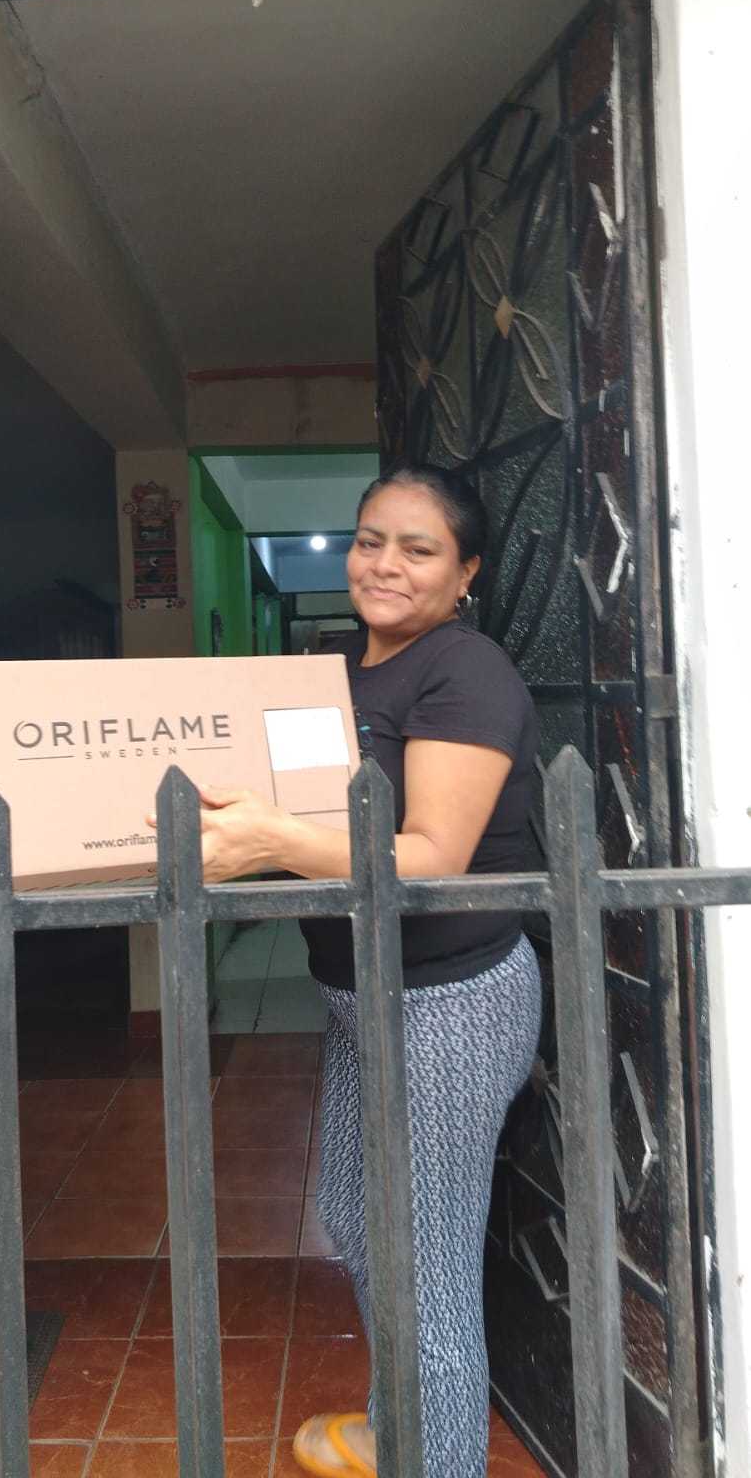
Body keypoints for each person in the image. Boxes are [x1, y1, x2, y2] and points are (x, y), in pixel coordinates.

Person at [158, 462, 542, 1478]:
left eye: (418, 549)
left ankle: (437, 1458)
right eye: (370, 540)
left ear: (464, 572)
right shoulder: (326, 664)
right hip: (359, 992)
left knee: (420, 1261)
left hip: (450, 1000)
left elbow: (429, 854)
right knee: (357, 1215)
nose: (384, 564)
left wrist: (272, 840)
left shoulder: (464, 671)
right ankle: (398, 1426)